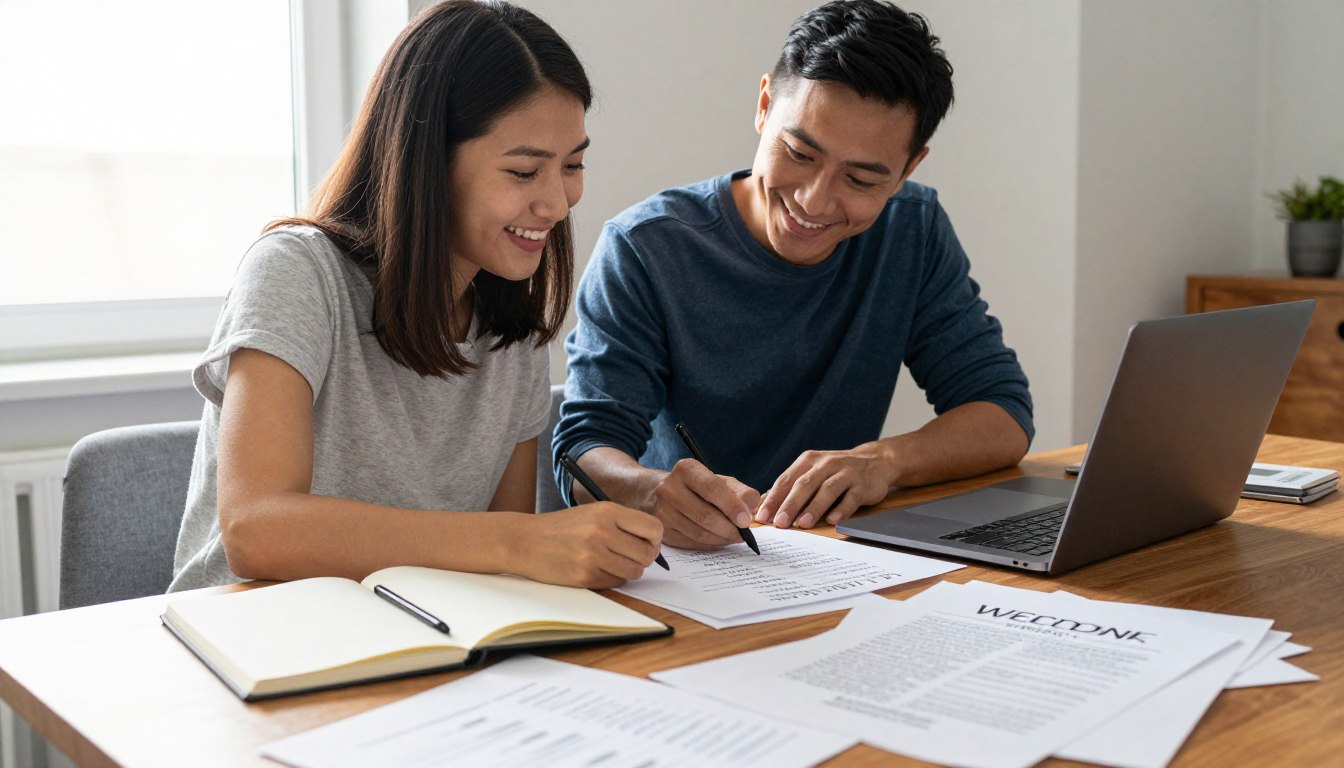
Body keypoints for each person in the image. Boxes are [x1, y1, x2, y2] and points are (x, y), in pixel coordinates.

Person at [169, 0, 662, 593]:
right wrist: (515, 541)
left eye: (573, 165)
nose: (557, 204)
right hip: (253, 639)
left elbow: (509, 567)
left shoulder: (512, 325)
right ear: (427, 162)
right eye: (525, 173)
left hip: (413, 637)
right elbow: (255, 529)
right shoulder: (297, 272)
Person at [552, 0, 1033, 551]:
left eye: (860, 179)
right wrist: (652, 491)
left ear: (908, 170)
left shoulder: (912, 230)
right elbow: (582, 454)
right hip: (693, 569)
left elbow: (1003, 413)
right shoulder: (646, 248)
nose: (815, 200)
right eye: (799, 153)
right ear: (763, 106)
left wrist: (883, 461)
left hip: (841, 563)